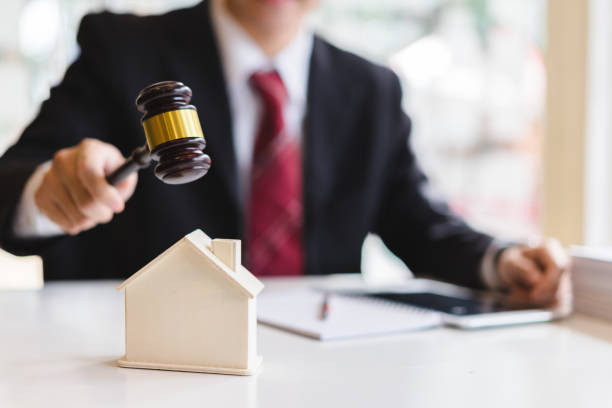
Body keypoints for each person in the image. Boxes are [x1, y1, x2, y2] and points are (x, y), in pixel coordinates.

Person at [0, 0, 569, 306]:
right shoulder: (119, 48)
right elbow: (10, 188)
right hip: (148, 362)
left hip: (316, 369)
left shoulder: (372, 89)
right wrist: (50, 191)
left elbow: (419, 223)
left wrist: (501, 260)